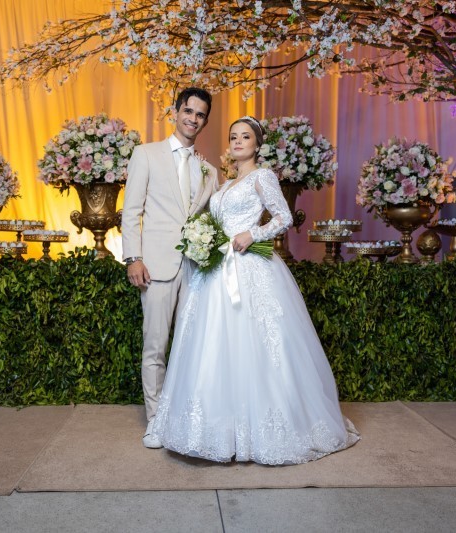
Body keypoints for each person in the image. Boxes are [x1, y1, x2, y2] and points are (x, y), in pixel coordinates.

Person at [152, 116, 360, 464]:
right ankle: (215, 431)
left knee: (257, 344)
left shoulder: (263, 177)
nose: (237, 141)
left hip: (250, 268)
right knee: (213, 346)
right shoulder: (226, 184)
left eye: (245, 137)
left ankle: (264, 431)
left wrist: (253, 234)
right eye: (233, 136)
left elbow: (284, 217)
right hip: (217, 271)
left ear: (257, 144)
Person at [122, 87, 219, 449]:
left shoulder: (209, 170)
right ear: (176, 112)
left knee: (192, 348)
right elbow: (131, 211)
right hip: (156, 266)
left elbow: (211, 219)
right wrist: (133, 257)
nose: (193, 119)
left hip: (197, 269)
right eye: (188, 111)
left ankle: (186, 419)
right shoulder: (146, 154)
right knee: (156, 346)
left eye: (200, 115)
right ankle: (156, 421)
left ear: (205, 121)